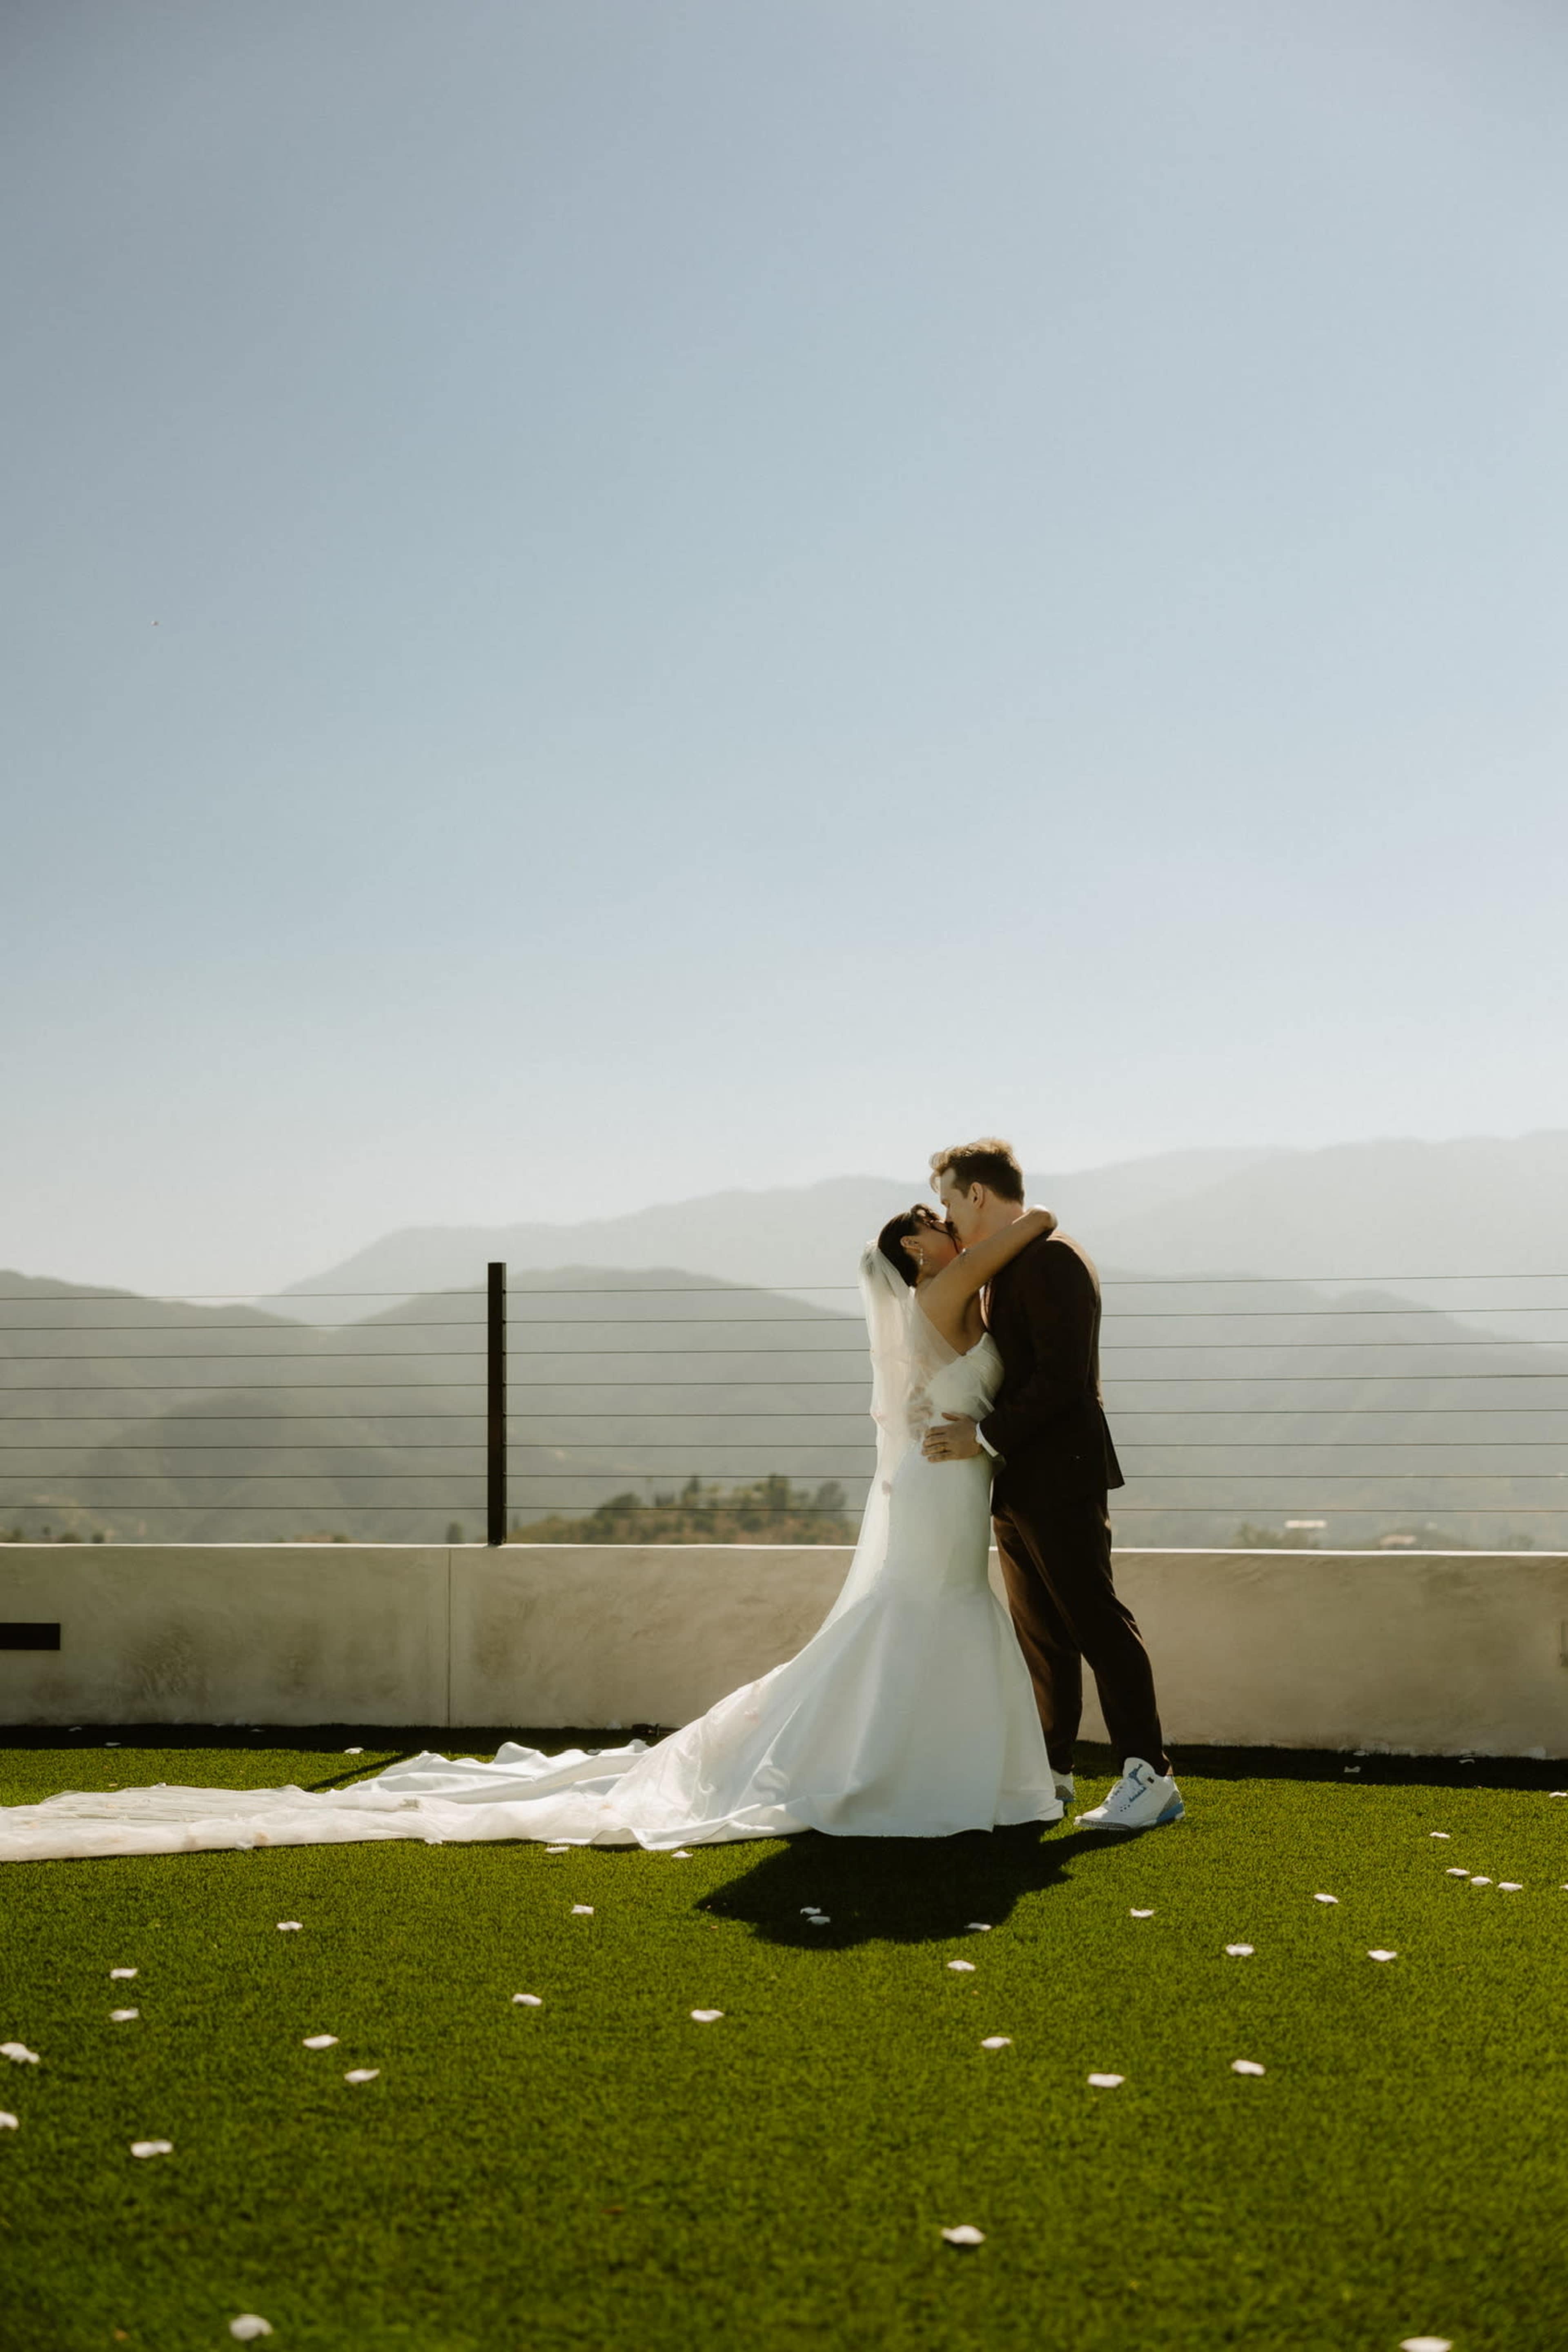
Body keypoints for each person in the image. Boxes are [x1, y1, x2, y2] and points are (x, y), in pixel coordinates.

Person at [0, 1201, 1066, 1862]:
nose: (945, 1222)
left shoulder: (953, 1301)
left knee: (938, 1608)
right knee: (921, 1610)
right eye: (930, 1219)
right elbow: (1037, 1223)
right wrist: (999, 1228)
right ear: (913, 1251)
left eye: (945, 1214)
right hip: (936, 1489)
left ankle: (942, 1771)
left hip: (949, 1481)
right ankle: (901, 1770)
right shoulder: (944, 1292)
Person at [921, 1138, 1182, 1833]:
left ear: (978, 1193)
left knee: (1096, 1621)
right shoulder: (1007, 1264)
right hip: (1016, 1480)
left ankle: (1150, 1776)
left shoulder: (1054, 1258)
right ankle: (1052, 1773)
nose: (946, 1216)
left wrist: (981, 1438)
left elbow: (1064, 1380)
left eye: (949, 1200)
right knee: (1042, 1635)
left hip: (1061, 1473)